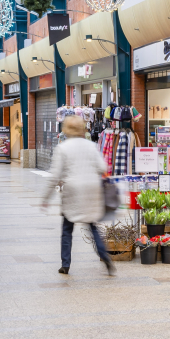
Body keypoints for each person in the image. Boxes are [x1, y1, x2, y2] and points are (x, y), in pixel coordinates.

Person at [42, 115, 115, 276]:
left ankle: (65, 264)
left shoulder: (63, 148)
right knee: (92, 226)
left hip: (73, 191)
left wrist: (46, 198)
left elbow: (54, 175)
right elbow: (103, 167)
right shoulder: (91, 146)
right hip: (91, 190)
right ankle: (105, 257)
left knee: (67, 229)